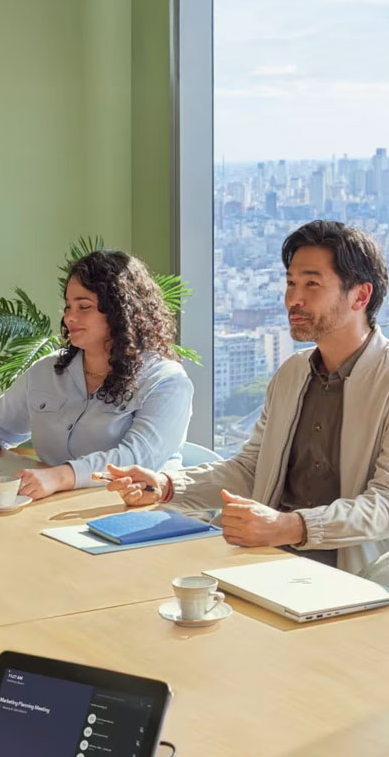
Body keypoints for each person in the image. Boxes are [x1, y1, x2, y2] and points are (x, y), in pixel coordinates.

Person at [100, 220, 389, 582]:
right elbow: (252, 470)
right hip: (263, 563)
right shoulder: (291, 375)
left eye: (311, 284)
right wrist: (167, 485)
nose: (293, 299)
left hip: (352, 580)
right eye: (290, 283)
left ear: (360, 296)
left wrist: (291, 527)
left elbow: (385, 504)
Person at [0, 250, 193, 500]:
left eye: (84, 307)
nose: (69, 318)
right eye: (68, 306)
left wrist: (60, 477)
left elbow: (136, 458)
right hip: (51, 508)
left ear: (120, 311)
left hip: (130, 514)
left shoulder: (167, 382)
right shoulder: (47, 371)